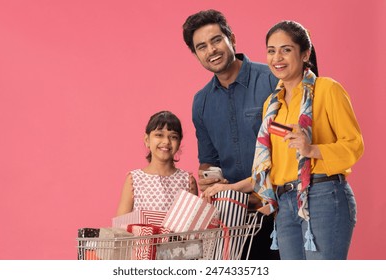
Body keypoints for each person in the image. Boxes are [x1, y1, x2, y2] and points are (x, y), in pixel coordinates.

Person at [203, 20, 364, 260]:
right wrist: (229, 188)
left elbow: (354, 146)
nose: (277, 57)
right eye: (271, 50)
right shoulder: (272, 106)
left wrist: (311, 149)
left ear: (305, 53)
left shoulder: (327, 89)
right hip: (285, 203)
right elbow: (272, 169)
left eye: (286, 49)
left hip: (323, 196)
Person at [182, 9, 280, 260]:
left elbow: (290, 147)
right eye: (201, 47)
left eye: (216, 40)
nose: (211, 50)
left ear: (231, 39)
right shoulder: (201, 102)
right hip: (235, 219)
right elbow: (209, 160)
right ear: (195, 55)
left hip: (279, 208)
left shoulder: (271, 80)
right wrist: (209, 179)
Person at [116, 110, 198, 216]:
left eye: (173, 137)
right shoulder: (133, 180)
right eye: (159, 135)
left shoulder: (188, 181)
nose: (166, 142)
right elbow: (120, 225)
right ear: (147, 140)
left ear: (179, 143)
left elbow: (193, 224)